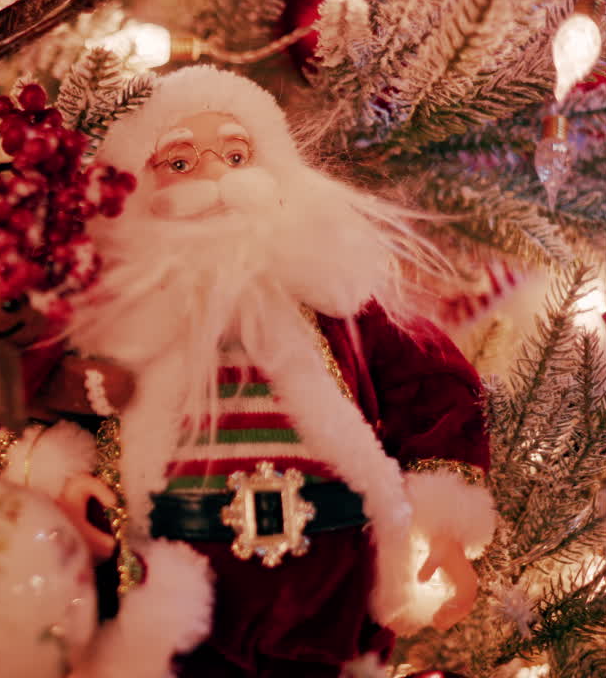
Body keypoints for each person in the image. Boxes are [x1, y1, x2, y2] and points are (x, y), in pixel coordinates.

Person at [59, 65, 497, 677]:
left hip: (330, 585)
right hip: (179, 587)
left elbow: (429, 386)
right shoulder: (108, 317)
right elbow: (18, 397)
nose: (216, 178)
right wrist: (61, 478)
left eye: (236, 155)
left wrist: (445, 522)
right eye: (181, 163)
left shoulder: (332, 294)